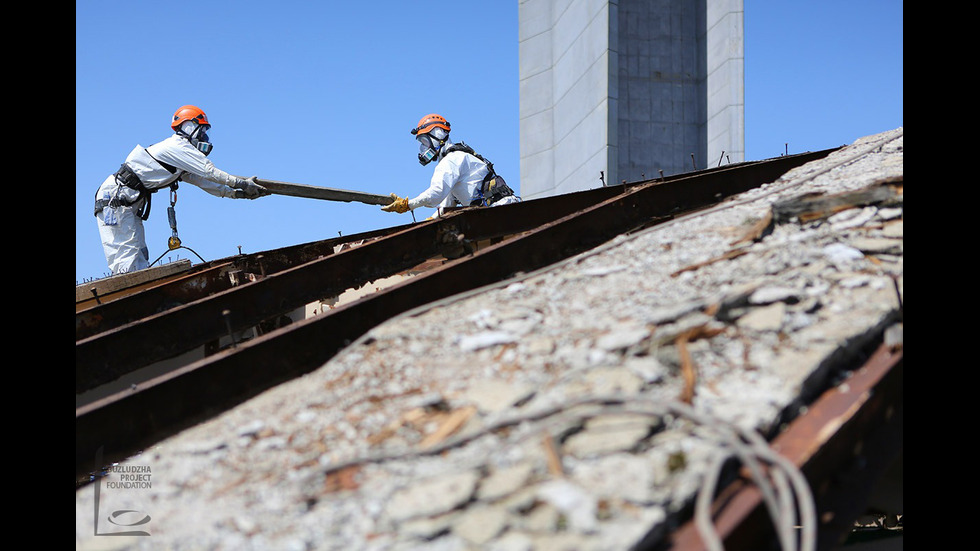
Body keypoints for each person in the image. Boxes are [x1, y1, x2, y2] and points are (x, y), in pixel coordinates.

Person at [94, 105, 270, 274]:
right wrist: (242, 184)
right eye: (201, 130)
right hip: (115, 200)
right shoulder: (178, 148)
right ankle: (130, 296)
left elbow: (203, 181)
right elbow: (209, 171)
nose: (204, 136)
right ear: (189, 127)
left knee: (139, 253)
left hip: (126, 201)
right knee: (126, 254)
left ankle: (139, 291)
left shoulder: (179, 158)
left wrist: (236, 194)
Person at [382, 113, 520, 217]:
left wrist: (408, 205)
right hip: (502, 211)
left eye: (425, 142)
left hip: (500, 211)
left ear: (438, 135)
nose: (423, 148)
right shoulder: (457, 160)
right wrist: (430, 220)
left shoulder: (451, 160)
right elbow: (445, 206)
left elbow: (436, 193)